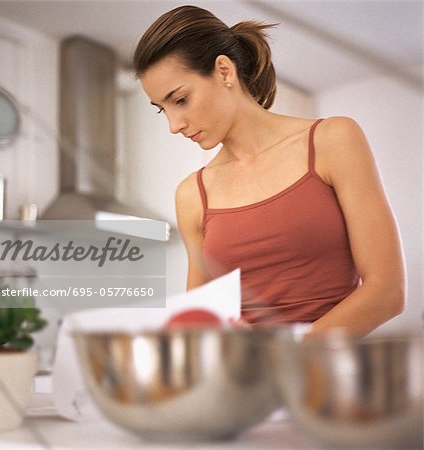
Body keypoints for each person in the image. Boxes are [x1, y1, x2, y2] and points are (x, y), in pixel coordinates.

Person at [133, 5, 405, 336]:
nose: (174, 125)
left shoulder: (332, 140)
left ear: (223, 71)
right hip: (242, 383)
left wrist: (286, 361)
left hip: (330, 379)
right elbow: (200, 324)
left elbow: (386, 292)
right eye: (162, 110)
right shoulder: (192, 194)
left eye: (181, 99)